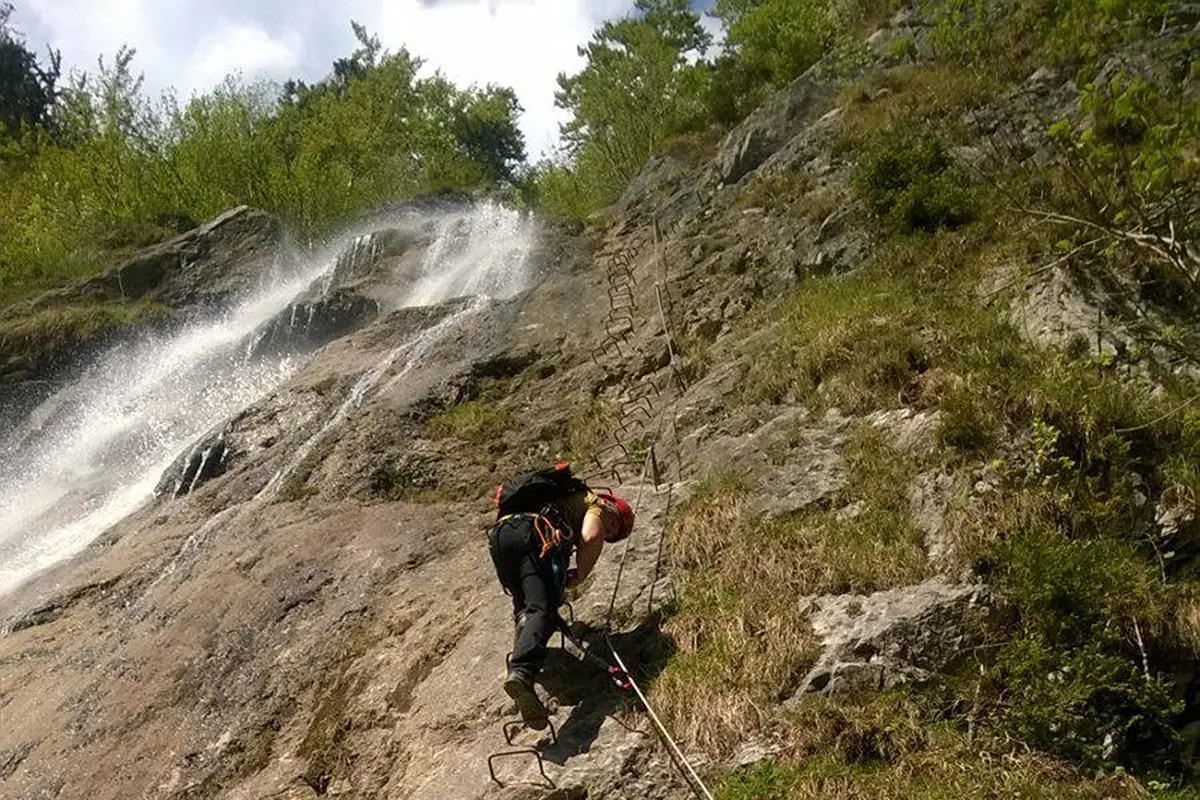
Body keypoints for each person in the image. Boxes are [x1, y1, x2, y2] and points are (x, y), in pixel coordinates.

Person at [488, 464, 635, 728]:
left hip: (501, 537)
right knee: (542, 609)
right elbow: (591, 535)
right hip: (534, 534)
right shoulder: (597, 504)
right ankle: (522, 671)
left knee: (526, 608)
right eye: (613, 531)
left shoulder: (562, 496)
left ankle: (525, 664)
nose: (609, 534)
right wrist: (580, 574)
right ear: (615, 516)